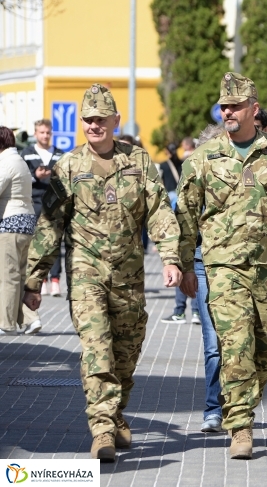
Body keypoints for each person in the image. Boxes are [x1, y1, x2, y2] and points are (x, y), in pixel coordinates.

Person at [22, 84, 183, 462]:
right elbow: (50, 225)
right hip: (86, 273)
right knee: (98, 351)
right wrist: (34, 280)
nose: (94, 125)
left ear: (115, 120)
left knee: (126, 354)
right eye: (88, 119)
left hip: (129, 277)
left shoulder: (139, 162)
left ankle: (116, 412)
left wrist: (171, 257)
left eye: (101, 119)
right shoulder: (69, 167)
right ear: (82, 123)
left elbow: (159, 211)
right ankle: (102, 430)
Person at [176, 72, 267, 459]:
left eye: (235, 106)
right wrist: (183, 264)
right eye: (224, 106)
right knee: (235, 344)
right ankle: (240, 425)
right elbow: (186, 215)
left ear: (253, 110)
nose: (228, 112)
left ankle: (238, 395)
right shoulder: (204, 158)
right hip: (223, 267)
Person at [190, 123, 227, 433]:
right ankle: (213, 408)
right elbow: (183, 220)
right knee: (213, 341)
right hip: (204, 264)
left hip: (240, 266)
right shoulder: (195, 175)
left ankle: (238, 405)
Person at [0, 127, 39, 336]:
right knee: (19, 276)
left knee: (8, 277)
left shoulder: (5, 162)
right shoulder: (20, 160)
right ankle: (31, 319)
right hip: (27, 222)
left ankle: (6, 324)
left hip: (10, 223)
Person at [20, 119, 65, 298]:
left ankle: (55, 280)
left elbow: (66, 179)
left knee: (54, 242)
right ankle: (40, 280)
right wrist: (35, 176)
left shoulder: (60, 154)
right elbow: (21, 178)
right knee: (35, 243)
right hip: (34, 202)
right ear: (35, 133)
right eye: (41, 132)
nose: (45, 136)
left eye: (48, 133)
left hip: (54, 203)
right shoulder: (27, 153)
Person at [160, 140, 200, 325]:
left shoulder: (179, 164)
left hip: (181, 213)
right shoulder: (196, 162)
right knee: (193, 268)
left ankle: (180, 311)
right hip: (197, 227)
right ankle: (195, 312)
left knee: (184, 265)